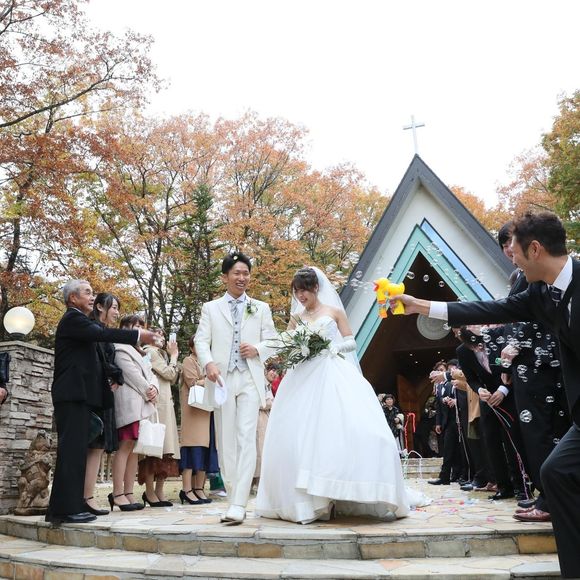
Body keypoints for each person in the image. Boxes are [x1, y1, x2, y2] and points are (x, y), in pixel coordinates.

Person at [395, 211, 580, 579]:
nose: (512, 259)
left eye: (515, 251)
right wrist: (419, 305)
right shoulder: (540, 294)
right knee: (556, 472)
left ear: (535, 249)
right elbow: (488, 308)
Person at [256, 266, 428, 524]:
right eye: (297, 291)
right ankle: (308, 500)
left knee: (345, 430)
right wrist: (269, 350)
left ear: (316, 288)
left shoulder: (334, 311)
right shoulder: (296, 317)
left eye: (304, 290)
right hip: (301, 377)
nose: (300, 296)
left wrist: (332, 347)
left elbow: (351, 341)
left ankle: (343, 489)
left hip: (330, 371)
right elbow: (285, 342)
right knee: (298, 435)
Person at [45, 280, 158, 525]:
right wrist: (138, 334)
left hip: (81, 396)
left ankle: (69, 506)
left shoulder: (81, 323)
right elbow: (103, 333)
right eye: (87, 292)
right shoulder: (73, 319)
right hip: (71, 395)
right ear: (72, 298)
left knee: (76, 453)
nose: (91, 296)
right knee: (71, 452)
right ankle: (64, 510)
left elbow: (98, 357)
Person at [195, 251, 278, 525]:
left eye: (246, 273)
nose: (242, 278)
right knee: (225, 440)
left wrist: (258, 349)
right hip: (222, 379)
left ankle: (240, 503)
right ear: (225, 277)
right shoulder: (211, 308)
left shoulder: (260, 307)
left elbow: (274, 340)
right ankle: (232, 498)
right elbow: (201, 340)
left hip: (250, 378)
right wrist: (208, 363)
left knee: (246, 437)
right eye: (236, 273)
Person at [110, 315, 159, 511]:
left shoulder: (141, 352)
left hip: (142, 404)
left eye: (140, 326)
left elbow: (152, 374)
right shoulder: (120, 347)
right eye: (134, 326)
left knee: (134, 450)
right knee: (125, 446)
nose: (138, 329)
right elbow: (132, 375)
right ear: (124, 328)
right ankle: (117, 493)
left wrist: (154, 388)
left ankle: (129, 492)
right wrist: (149, 390)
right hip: (129, 403)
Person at [83, 293, 125, 516]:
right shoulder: (93, 330)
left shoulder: (103, 331)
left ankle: (87, 495)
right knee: (94, 446)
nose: (117, 312)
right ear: (100, 307)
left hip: (103, 393)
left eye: (118, 308)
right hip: (94, 395)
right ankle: (86, 497)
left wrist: (116, 378)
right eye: (113, 307)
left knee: (97, 448)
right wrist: (116, 375)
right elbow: (100, 362)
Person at [140, 328, 181, 506]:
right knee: (154, 448)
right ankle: (150, 491)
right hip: (157, 406)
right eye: (157, 333)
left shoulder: (160, 354)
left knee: (166, 450)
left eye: (163, 334)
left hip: (164, 404)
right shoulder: (150, 352)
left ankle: (158, 490)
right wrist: (174, 356)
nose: (162, 337)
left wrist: (171, 358)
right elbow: (170, 374)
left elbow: (173, 378)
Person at [179, 336, 219, 505]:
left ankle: (199, 488)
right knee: (191, 449)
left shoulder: (208, 363)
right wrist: (209, 378)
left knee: (204, 450)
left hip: (206, 410)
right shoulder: (188, 361)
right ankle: (186, 489)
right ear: (191, 347)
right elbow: (192, 382)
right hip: (193, 411)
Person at [253, 378, 274, 490]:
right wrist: (268, 403)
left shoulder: (267, 385)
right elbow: (266, 403)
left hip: (264, 420)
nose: (273, 373)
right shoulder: (260, 382)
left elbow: (270, 402)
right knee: (256, 451)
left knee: (262, 452)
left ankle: (258, 482)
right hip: (257, 419)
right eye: (271, 370)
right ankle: (253, 482)